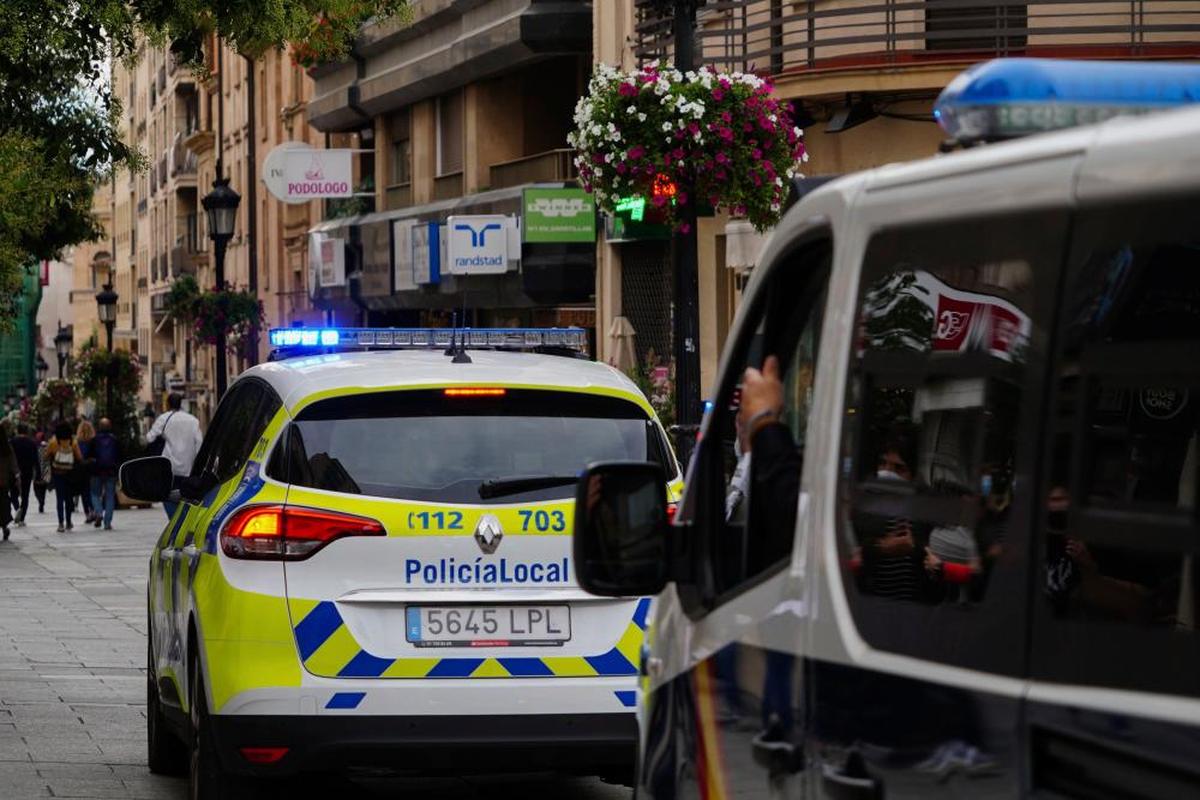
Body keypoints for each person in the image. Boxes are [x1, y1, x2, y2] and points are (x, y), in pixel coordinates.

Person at [146, 393, 203, 519]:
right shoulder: (193, 420)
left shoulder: (164, 418)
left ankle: (174, 521)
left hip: (168, 465)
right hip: (188, 466)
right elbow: (199, 443)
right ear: (181, 403)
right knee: (186, 497)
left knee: (167, 495)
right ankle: (182, 521)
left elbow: (149, 438)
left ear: (168, 404)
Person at [47, 422, 83, 532]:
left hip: (58, 474)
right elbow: (79, 457)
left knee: (59, 499)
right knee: (68, 499)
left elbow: (46, 455)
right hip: (70, 474)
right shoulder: (73, 442)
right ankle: (68, 521)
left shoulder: (53, 442)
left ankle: (60, 523)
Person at [90, 418, 121, 530]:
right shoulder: (114, 440)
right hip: (111, 471)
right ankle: (107, 522)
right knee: (110, 496)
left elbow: (89, 455)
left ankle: (98, 512)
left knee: (94, 494)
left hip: (97, 471)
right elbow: (119, 456)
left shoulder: (94, 440)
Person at [10, 423, 38, 527]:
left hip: (14, 472)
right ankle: (22, 518)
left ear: (17, 431)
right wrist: (37, 473)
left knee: (13, 494)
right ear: (27, 431)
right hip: (27, 472)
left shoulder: (12, 442)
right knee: (25, 495)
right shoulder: (32, 443)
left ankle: (17, 509)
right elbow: (36, 460)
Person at [0, 424, 19, 541]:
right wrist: (17, 475)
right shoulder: (6, 447)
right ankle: (4, 527)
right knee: (3, 503)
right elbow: (13, 463)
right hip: (3, 481)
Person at [75, 420, 97, 523]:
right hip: (92, 468)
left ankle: (88, 514)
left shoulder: (77, 442)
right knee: (92, 491)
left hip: (80, 469)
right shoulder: (93, 441)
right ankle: (94, 510)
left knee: (84, 492)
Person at [33, 430, 49, 514]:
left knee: (36, 488)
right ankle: (42, 501)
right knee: (43, 489)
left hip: (37, 470)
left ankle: (40, 500)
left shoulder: (36, 447)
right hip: (46, 470)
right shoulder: (48, 446)